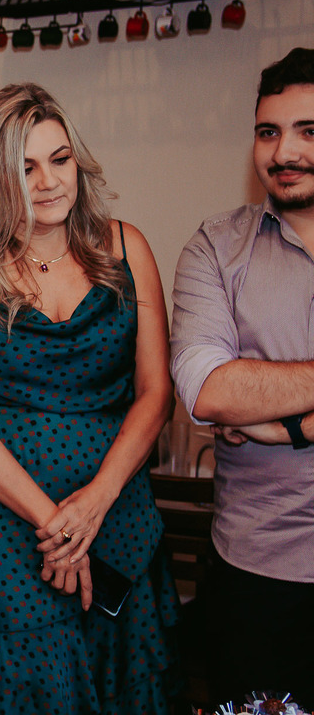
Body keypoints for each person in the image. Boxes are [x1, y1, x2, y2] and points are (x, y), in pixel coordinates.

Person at [0, 83, 178, 714]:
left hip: (116, 509)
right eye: (25, 167)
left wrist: (95, 503)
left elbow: (156, 393)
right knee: (27, 688)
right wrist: (57, 524)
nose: (48, 182)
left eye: (60, 159)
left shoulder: (127, 246)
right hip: (1, 521)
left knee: (123, 681)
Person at [170, 47, 314, 706]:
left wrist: (278, 425)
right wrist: (244, 405)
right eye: (268, 132)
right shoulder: (215, 248)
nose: (285, 152)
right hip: (259, 575)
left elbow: (237, 396)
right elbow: (209, 390)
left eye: (308, 131)